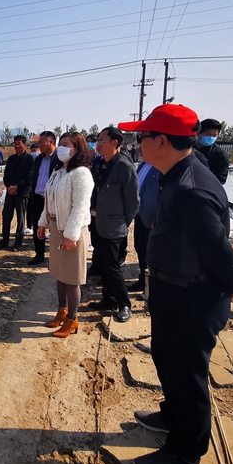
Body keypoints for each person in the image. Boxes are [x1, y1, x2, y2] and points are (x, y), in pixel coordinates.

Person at [118, 104, 233, 464]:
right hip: (172, 290)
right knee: (165, 358)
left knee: (187, 375)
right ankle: (172, 417)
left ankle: (184, 455)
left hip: (193, 299)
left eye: (142, 136)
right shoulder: (174, 175)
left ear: (161, 141)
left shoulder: (191, 188)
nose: (137, 142)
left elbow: (218, 248)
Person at [37, 132, 94, 337]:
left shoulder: (81, 174)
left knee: (71, 278)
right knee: (59, 275)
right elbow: (49, 200)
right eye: (60, 143)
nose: (61, 147)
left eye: (66, 144)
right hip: (56, 230)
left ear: (77, 149)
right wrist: (43, 222)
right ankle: (61, 312)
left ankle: (72, 319)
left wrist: (71, 234)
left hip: (72, 233)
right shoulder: (59, 172)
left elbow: (80, 207)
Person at [87, 127, 139, 322]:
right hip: (97, 221)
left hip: (114, 225)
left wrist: (124, 222)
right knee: (102, 264)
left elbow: (132, 201)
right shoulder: (99, 163)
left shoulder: (124, 166)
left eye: (101, 141)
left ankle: (124, 303)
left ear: (114, 143)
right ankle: (108, 298)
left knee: (113, 266)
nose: (98, 144)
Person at [128, 159, 162, 292]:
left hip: (152, 219)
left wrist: (157, 218)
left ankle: (151, 288)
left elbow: (162, 195)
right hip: (140, 215)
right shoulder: (142, 165)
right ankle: (142, 281)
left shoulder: (159, 166)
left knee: (152, 254)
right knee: (140, 248)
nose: (141, 149)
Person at [0, 134, 34, 251]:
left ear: (25, 145)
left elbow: (29, 177)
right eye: (15, 144)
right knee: (6, 216)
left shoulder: (30, 159)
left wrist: (17, 187)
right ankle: (4, 241)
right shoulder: (11, 159)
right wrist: (9, 187)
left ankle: (18, 243)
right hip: (10, 193)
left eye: (19, 144)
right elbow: (6, 175)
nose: (17, 146)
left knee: (20, 219)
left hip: (22, 194)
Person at [27, 131, 60, 265]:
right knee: (38, 227)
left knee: (55, 228)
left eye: (41, 142)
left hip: (53, 199)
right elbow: (35, 176)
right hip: (38, 198)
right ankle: (39, 254)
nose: (39, 144)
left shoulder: (59, 159)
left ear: (51, 142)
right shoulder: (39, 159)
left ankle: (57, 257)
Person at [195, 118, 229, 184]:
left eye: (214, 135)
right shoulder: (186, 149)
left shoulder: (220, 154)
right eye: (208, 134)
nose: (211, 137)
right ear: (198, 133)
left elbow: (221, 179)